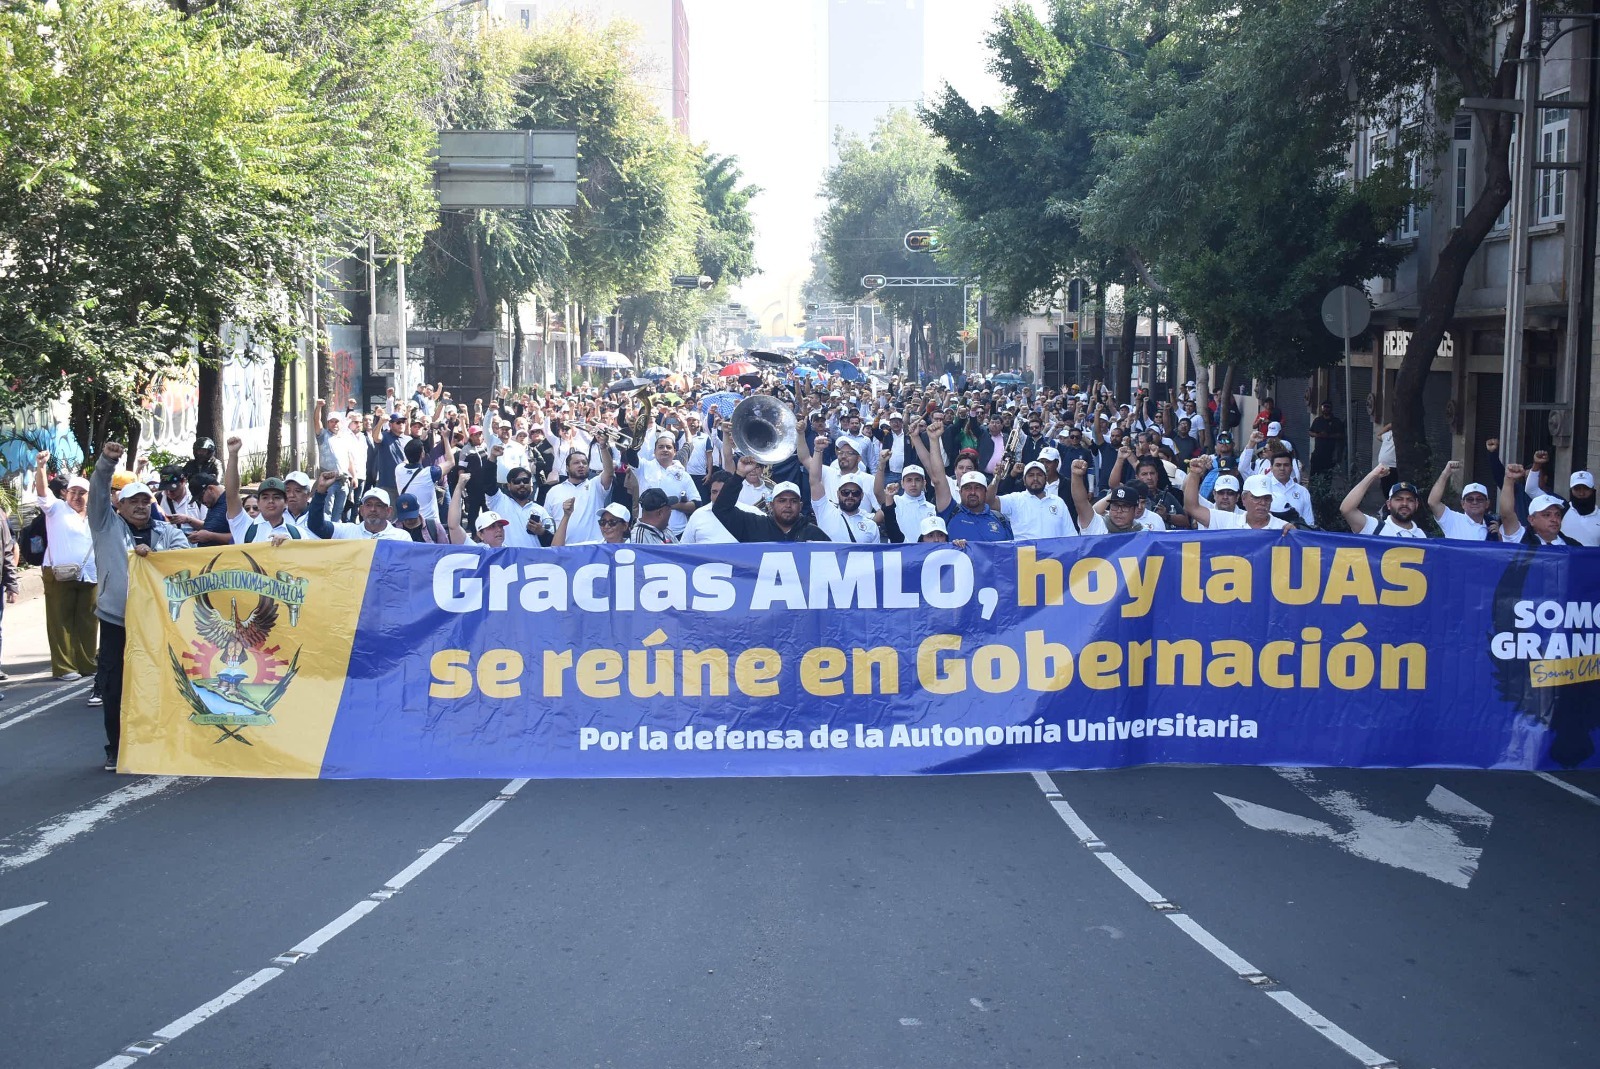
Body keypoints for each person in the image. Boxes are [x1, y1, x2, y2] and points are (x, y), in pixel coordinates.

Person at [89, 442, 191, 771]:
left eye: (145, 500)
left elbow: (186, 562)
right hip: (117, 620)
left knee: (163, 681)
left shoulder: (167, 532)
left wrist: (156, 557)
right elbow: (97, 493)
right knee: (114, 685)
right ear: (119, 505)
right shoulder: (105, 525)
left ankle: (161, 741)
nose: (140, 506)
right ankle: (116, 748)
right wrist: (107, 461)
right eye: (133, 501)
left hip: (157, 622)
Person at [33, 452, 98, 681]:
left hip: (90, 574)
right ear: (65, 493)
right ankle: (64, 667)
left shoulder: (95, 515)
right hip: (59, 574)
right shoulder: (56, 509)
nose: (77, 497)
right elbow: (42, 492)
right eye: (73, 492)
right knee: (60, 621)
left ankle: (87, 663)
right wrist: (41, 466)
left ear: (90, 496)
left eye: (82, 493)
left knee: (88, 620)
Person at [224, 438, 316, 544]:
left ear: (286, 502)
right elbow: (231, 495)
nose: (271, 501)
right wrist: (233, 455)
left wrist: (291, 545)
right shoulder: (245, 527)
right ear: (258, 502)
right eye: (265, 497)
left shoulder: (298, 534)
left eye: (276, 497)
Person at [709, 470, 829, 543]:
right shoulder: (754, 525)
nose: (788, 505)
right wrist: (739, 475)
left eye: (793, 501)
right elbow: (721, 509)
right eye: (782, 501)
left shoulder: (814, 534)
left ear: (800, 506)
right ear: (771, 504)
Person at [543, 431, 617, 546]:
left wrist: (603, 447)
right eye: (576, 463)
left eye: (584, 463)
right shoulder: (553, 491)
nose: (581, 465)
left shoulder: (595, 485)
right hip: (565, 550)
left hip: (594, 548)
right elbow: (548, 524)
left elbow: (609, 471)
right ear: (567, 468)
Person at [1185, 462, 1291, 531]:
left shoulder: (1283, 528)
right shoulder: (1227, 520)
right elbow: (1192, 507)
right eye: (1256, 497)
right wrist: (1194, 474)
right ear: (1244, 499)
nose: (1262, 503)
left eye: (1266, 498)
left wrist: (1295, 534)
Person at [305, 475, 411, 541]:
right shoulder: (347, 532)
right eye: (368, 505)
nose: (373, 509)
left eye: (379, 505)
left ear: (388, 511)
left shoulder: (401, 537)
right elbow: (316, 526)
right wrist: (321, 491)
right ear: (361, 510)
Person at [990, 460, 1074, 539]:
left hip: (1054, 554)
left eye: (1039, 475)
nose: (1035, 479)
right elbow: (989, 503)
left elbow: (1070, 535)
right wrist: (996, 480)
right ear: (1024, 480)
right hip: (1024, 553)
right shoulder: (1015, 499)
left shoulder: (1058, 502)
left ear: (1046, 478)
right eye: (1031, 475)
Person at [1500, 465, 1581, 546]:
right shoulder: (1520, 537)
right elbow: (1507, 515)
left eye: (1558, 514)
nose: (1554, 519)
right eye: (1547, 515)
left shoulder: (1574, 546)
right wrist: (1509, 479)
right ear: (1531, 520)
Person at [1340, 465, 1428, 537]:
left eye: (1410, 500)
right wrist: (1373, 475)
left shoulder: (1426, 538)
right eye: (1398, 499)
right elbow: (1347, 509)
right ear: (1388, 504)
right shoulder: (1374, 528)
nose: (1404, 503)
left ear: (1416, 505)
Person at [1427, 460, 1497, 541]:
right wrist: (1446, 473)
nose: (1475, 502)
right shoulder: (1453, 520)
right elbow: (1433, 502)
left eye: (1479, 499)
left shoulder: (1493, 527)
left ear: (1487, 503)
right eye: (1470, 499)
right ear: (1463, 504)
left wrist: (1498, 537)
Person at [554, 499, 634, 547]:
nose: (606, 526)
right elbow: (556, 550)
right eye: (602, 522)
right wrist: (566, 516)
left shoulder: (637, 549)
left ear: (625, 526)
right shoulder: (593, 548)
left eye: (612, 522)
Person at [1561, 470, 1600, 546]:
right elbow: (1533, 490)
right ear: (1571, 491)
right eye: (1577, 489)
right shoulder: (1560, 511)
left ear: (1592, 490)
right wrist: (1537, 465)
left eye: (1586, 488)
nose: (1581, 493)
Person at [1308, 401, 1346, 476]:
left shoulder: (1336, 422)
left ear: (1331, 408)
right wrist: (1318, 435)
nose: (1325, 409)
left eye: (1327, 407)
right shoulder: (1318, 420)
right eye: (1324, 407)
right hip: (1318, 453)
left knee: (1327, 476)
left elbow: (1341, 435)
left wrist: (1328, 436)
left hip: (1330, 455)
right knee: (1314, 475)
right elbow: (1310, 432)